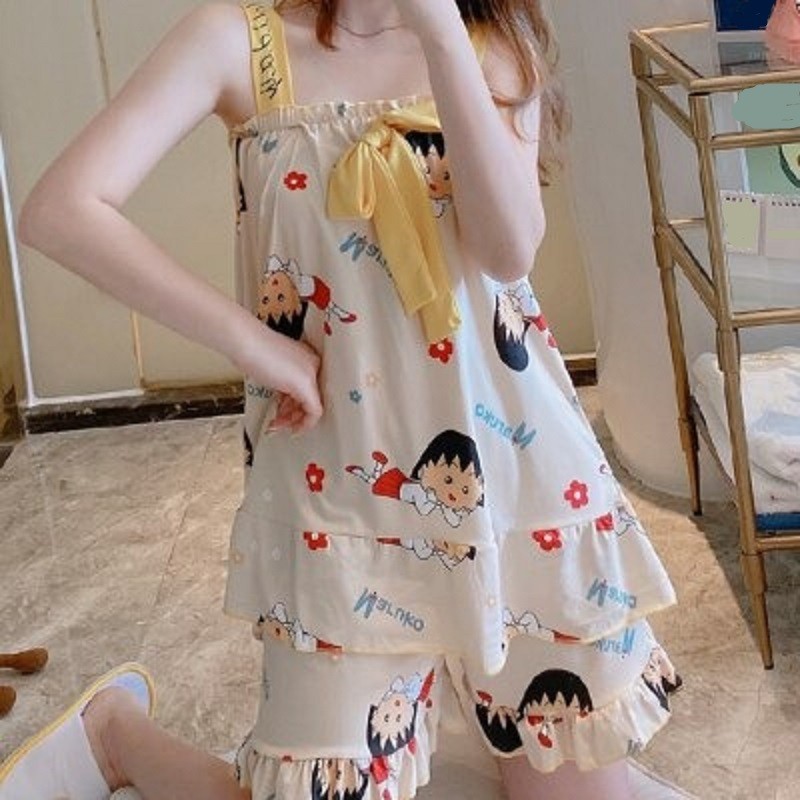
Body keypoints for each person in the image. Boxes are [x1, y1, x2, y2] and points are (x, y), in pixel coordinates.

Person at [2, 1, 683, 799]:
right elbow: (61, 209)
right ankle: (115, 734)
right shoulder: (239, 41)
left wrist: (439, 34)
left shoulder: (490, 40)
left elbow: (508, 250)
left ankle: (467, 734)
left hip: (517, 481)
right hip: (341, 498)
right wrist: (257, 346)